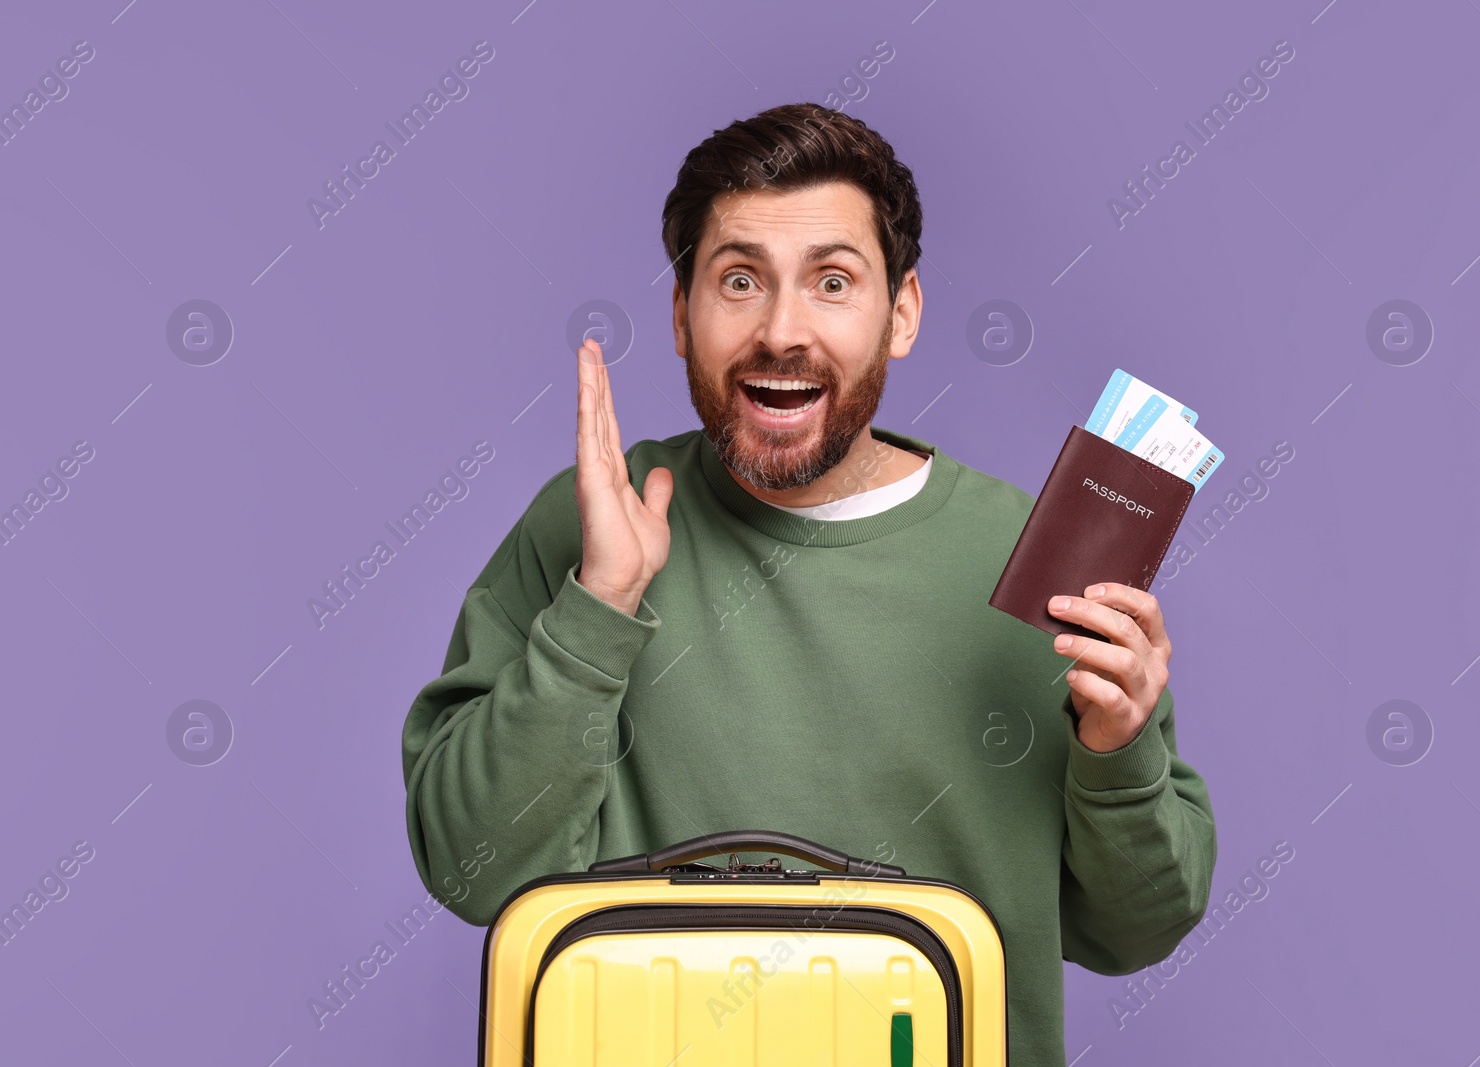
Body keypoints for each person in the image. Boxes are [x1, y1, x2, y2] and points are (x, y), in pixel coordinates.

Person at [400, 101, 1217, 1065]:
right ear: (679, 313)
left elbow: (1133, 931)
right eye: (739, 279)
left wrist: (1118, 751)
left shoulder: (1031, 563)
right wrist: (599, 608)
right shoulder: (591, 525)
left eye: (833, 281)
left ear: (901, 313)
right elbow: (471, 870)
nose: (781, 329)